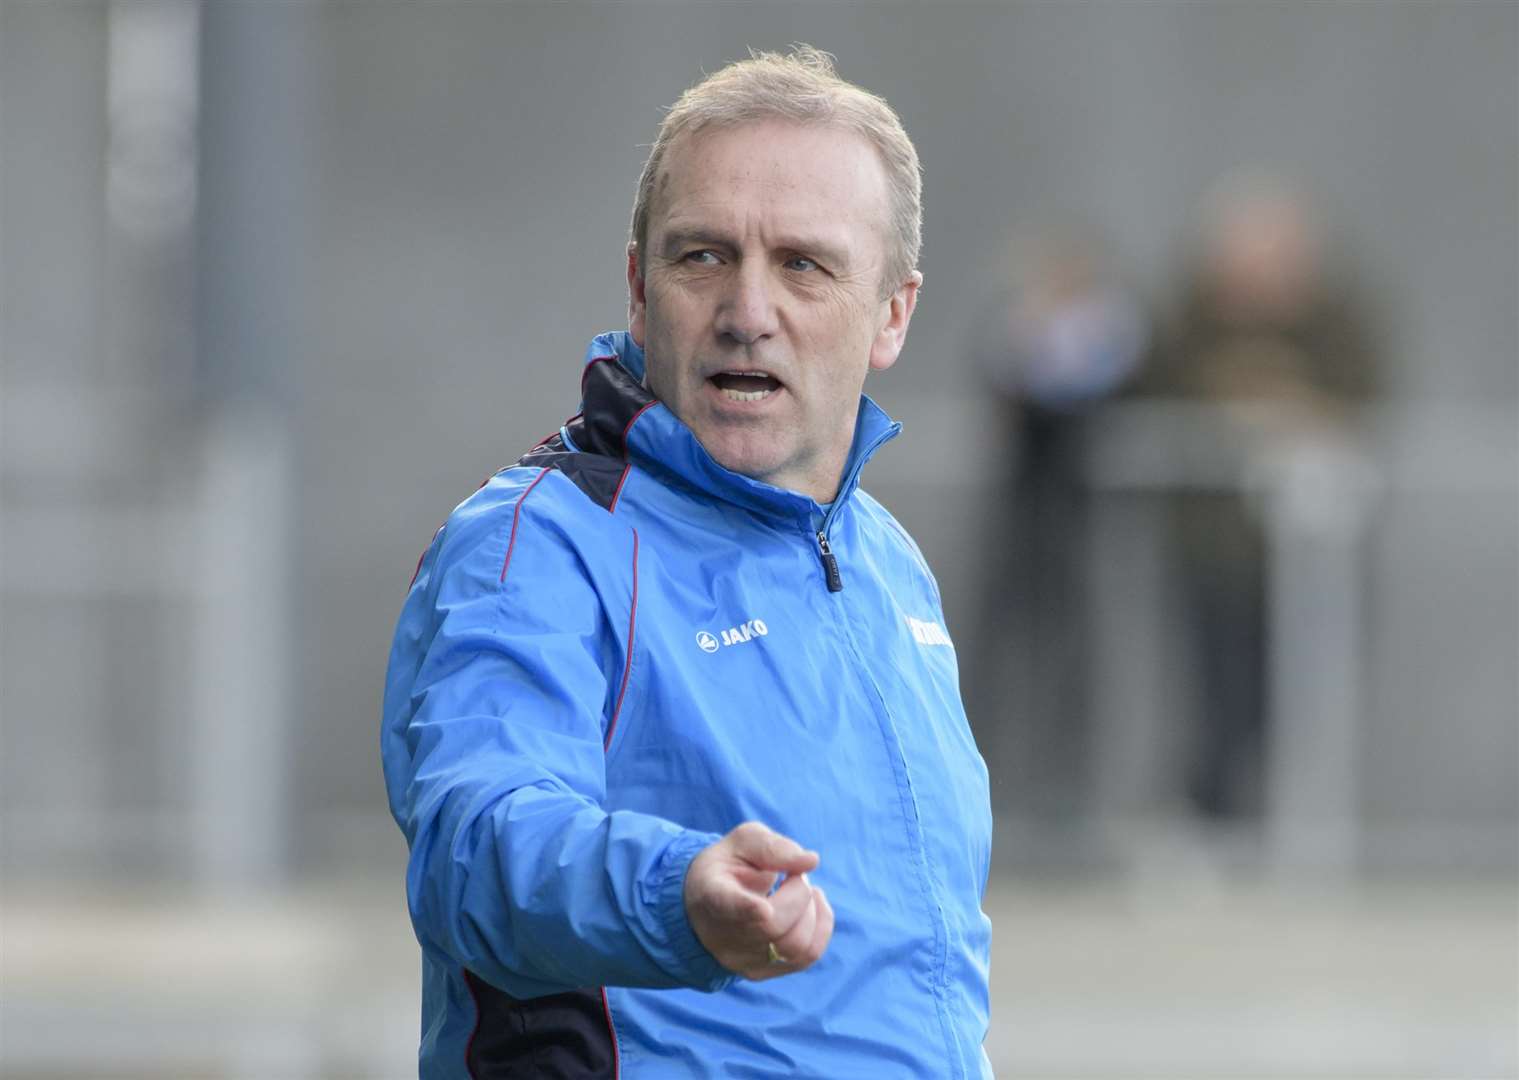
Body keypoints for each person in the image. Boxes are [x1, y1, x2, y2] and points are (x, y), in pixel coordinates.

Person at [380, 46, 993, 1078]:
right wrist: (676, 896)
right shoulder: (538, 542)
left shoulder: (888, 563)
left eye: (803, 264)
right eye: (702, 256)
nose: (746, 309)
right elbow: (480, 845)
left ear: (892, 313)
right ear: (637, 284)